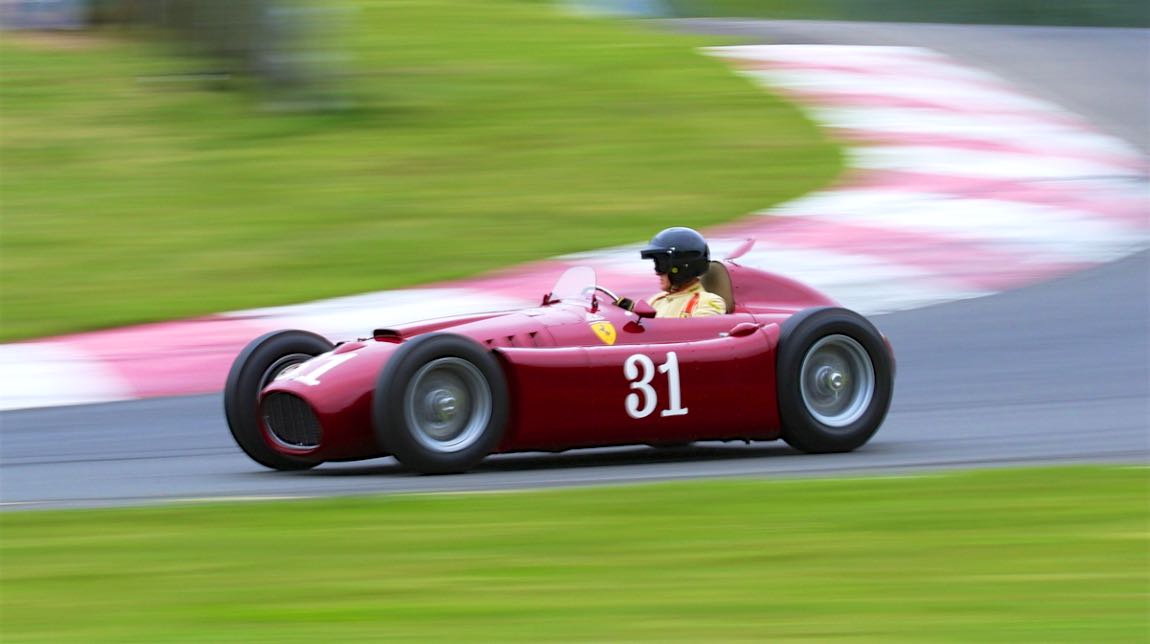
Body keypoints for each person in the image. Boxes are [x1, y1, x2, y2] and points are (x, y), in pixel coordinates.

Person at [617, 227, 726, 318]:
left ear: (681, 267)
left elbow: (698, 334)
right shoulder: (656, 300)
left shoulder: (708, 302)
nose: (657, 273)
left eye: (661, 266)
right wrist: (630, 311)